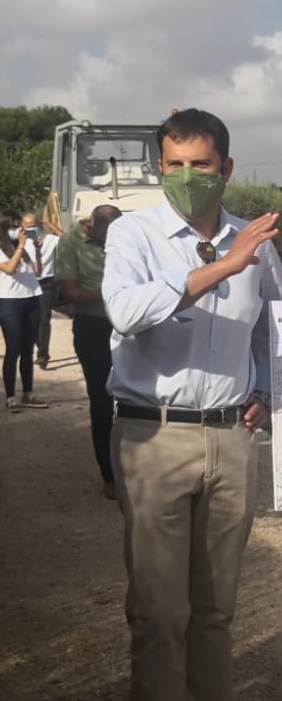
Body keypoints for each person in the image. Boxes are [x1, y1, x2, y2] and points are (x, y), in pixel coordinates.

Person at [102, 107, 282, 701]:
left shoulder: (257, 241)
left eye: (201, 164)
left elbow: (278, 328)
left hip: (229, 442)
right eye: (174, 164)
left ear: (227, 168)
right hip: (153, 437)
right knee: (158, 616)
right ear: (160, 167)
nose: (187, 177)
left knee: (214, 614)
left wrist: (268, 390)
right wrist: (222, 264)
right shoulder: (134, 235)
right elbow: (126, 311)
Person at [55, 204, 122, 498]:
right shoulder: (71, 243)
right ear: (91, 227)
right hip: (93, 328)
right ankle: (110, 476)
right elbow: (71, 293)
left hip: (130, 329)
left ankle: (141, 471)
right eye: (107, 235)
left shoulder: (124, 237)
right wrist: (117, 295)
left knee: (140, 399)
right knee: (102, 401)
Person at [0, 209, 47, 410]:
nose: (20, 230)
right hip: (10, 302)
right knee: (14, 349)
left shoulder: (23, 249)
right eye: (15, 226)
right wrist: (20, 245)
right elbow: (10, 268)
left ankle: (28, 393)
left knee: (28, 350)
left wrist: (35, 249)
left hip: (31, 299)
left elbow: (38, 272)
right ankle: (11, 396)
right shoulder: (4, 248)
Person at [30, 214, 59, 369]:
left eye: (33, 225)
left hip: (46, 283)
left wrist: (50, 224)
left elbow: (65, 239)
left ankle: (43, 355)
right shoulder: (22, 241)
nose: (30, 229)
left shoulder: (50, 239)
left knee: (43, 320)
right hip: (27, 284)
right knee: (31, 321)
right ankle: (39, 349)